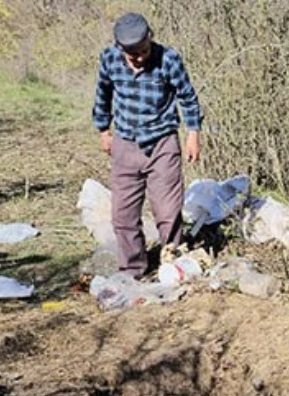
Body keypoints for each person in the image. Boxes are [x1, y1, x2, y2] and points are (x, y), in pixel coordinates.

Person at [92, 12, 202, 279]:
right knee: (123, 215)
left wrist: (193, 133)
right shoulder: (109, 59)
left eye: (143, 51)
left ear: (150, 39)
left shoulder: (168, 59)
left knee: (167, 210)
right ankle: (132, 269)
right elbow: (103, 93)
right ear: (121, 49)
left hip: (162, 142)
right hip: (126, 142)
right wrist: (104, 129)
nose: (139, 58)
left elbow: (187, 97)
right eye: (133, 55)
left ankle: (173, 264)